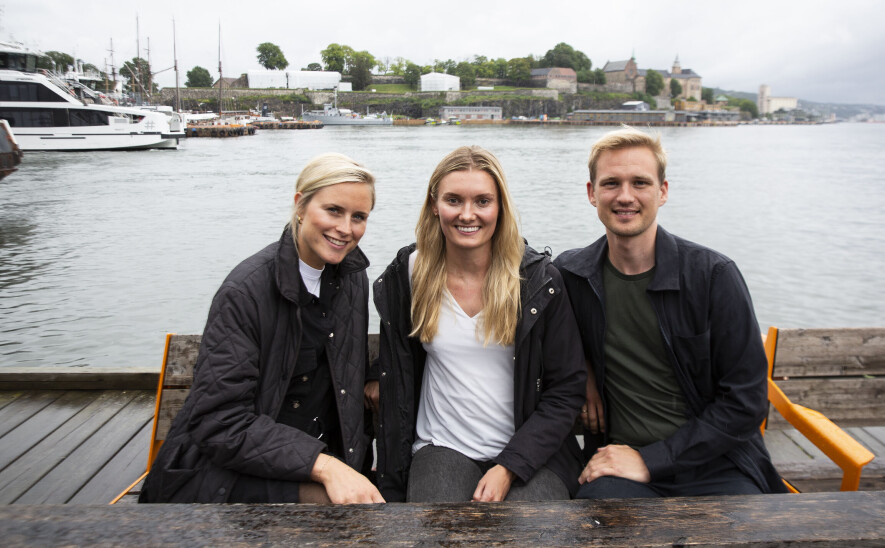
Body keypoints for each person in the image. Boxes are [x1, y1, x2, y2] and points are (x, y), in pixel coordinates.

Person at [554, 127, 787, 498]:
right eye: (611, 183)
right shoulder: (571, 275)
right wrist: (585, 372)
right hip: (617, 464)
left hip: (716, 464)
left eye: (640, 183)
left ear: (662, 192)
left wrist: (653, 460)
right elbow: (548, 334)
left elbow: (746, 401)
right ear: (591, 193)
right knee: (594, 524)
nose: (625, 196)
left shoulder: (713, 276)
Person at [140, 153, 385, 504]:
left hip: (316, 456)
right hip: (229, 471)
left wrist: (375, 375)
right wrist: (327, 467)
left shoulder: (351, 278)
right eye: (333, 210)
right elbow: (220, 422)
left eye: (358, 217)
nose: (346, 228)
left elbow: (346, 369)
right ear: (300, 205)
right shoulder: (245, 292)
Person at [372, 145, 586, 502]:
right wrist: (373, 373)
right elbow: (398, 352)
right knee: (441, 533)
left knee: (537, 534)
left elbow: (566, 389)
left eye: (482, 201)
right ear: (434, 204)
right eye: (453, 200)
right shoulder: (409, 273)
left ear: (500, 207)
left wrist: (511, 465)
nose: (467, 214)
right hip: (442, 446)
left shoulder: (536, 281)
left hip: (531, 451)